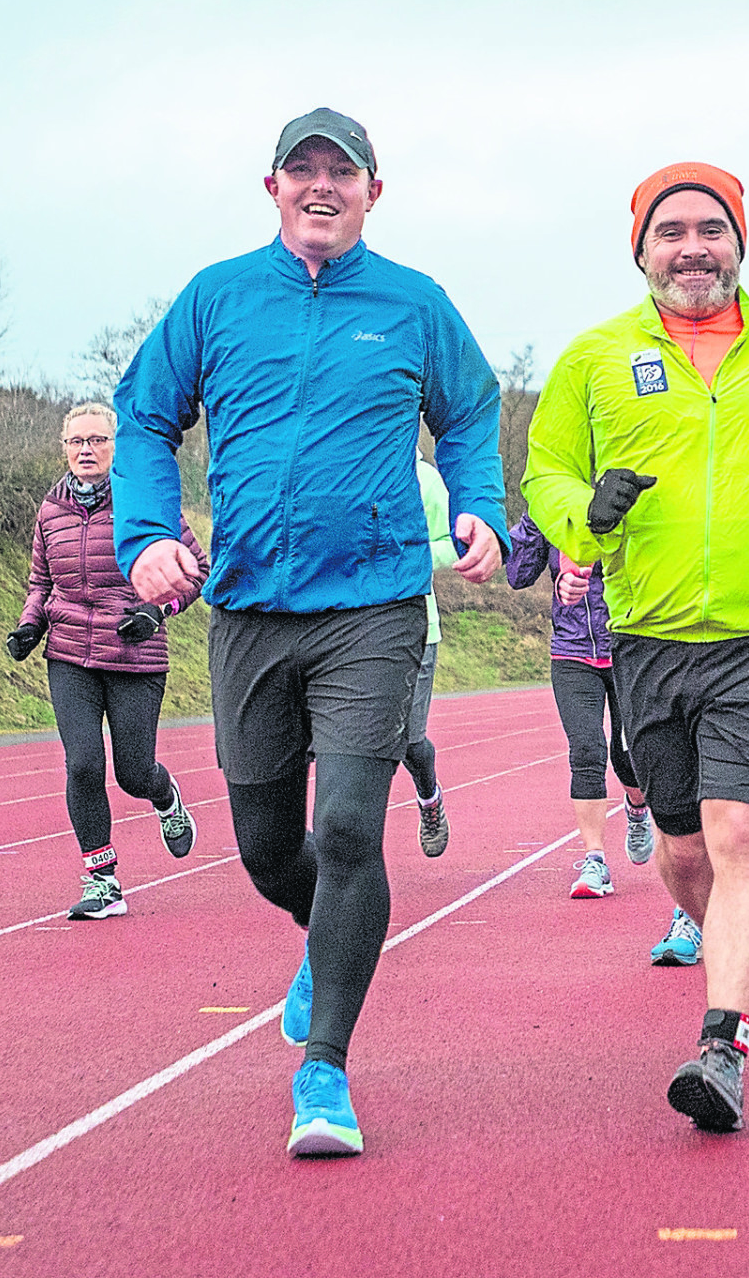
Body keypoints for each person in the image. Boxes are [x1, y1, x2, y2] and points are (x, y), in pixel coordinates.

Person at [112, 108, 507, 1158]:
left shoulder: (414, 303)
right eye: (304, 170)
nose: (323, 186)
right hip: (246, 608)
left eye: (345, 171)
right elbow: (146, 415)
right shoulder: (216, 297)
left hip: (372, 605)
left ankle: (323, 1068)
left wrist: (477, 503)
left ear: (376, 192)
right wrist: (146, 532)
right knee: (269, 850)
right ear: (273, 187)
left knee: (346, 832)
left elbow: (470, 409)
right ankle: (320, 939)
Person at [522, 161, 749, 1132]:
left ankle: (724, 1041)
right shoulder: (595, 358)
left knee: (740, 835)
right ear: (640, 250)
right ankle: (726, 931)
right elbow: (546, 472)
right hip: (648, 634)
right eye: (670, 232)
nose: (692, 248)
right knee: (685, 851)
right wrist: (582, 515)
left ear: (740, 242)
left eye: (710, 230)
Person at [7, 402, 207, 919]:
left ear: (115, 446)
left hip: (133, 652)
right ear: (64, 447)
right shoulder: (51, 510)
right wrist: (31, 624)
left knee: (133, 772)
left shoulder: (144, 501)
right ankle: (102, 882)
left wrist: (155, 612)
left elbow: (196, 569)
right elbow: (41, 582)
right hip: (70, 653)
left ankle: (165, 797)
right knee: (83, 764)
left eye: (97, 440)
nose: (87, 450)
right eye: (77, 442)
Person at [504, 510, 656, 901]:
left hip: (627, 646)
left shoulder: (628, 500)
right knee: (586, 750)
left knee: (627, 754)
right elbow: (518, 575)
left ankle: (637, 809)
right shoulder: (552, 508)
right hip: (571, 653)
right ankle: (595, 859)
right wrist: (535, 519)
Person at [405, 456, 459, 858]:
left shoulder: (426, 479)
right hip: (351, 630)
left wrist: (408, 552)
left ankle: (430, 800)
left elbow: (450, 547)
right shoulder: (348, 465)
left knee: (409, 740)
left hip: (418, 630)